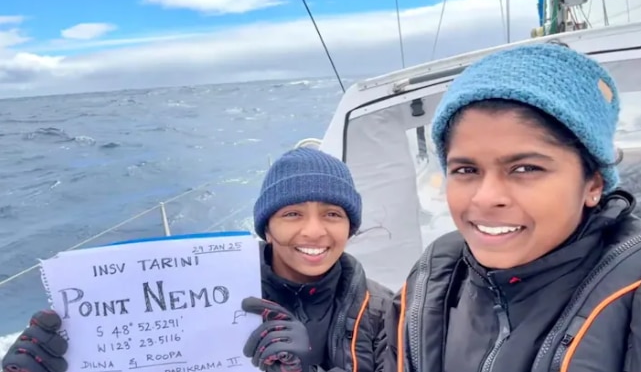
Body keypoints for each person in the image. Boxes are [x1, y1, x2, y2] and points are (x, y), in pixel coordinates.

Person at [383, 42, 641, 372]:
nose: (485, 197)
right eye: (466, 170)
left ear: (593, 184)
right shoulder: (430, 287)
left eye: (525, 169)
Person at [2, 147, 391, 372]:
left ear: (350, 228)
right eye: (291, 214)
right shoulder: (199, 288)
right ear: (266, 228)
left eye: (332, 214)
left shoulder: (387, 312)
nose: (313, 232)